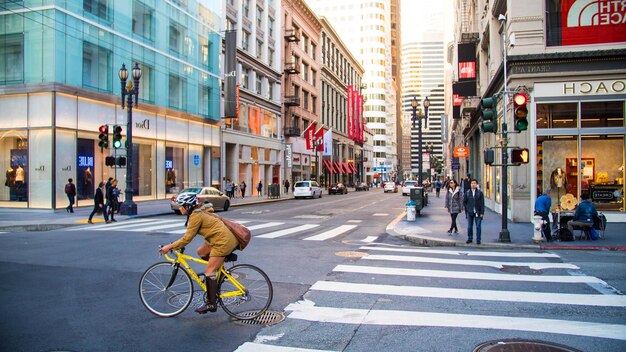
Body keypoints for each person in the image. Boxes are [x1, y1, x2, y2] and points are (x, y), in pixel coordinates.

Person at [159, 193, 238, 314]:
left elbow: (187, 239)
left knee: (209, 271)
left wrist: (169, 246)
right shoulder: (199, 212)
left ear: (188, 206)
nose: (179, 208)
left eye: (181, 206)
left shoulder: (196, 215)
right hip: (220, 239)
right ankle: (220, 268)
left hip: (222, 242)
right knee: (200, 251)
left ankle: (211, 304)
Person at [463, 179, 484, 244]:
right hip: (470, 212)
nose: (473, 184)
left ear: (476, 184)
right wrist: (467, 208)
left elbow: (482, 203)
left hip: (477, 211)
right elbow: (464, 202)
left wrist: (482, 213)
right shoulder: (468, 192)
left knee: (478, 226)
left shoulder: (480, 193)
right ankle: (470, 238)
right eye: (472, 183)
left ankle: (478, 239)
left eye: (474, 183)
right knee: (469, 226)